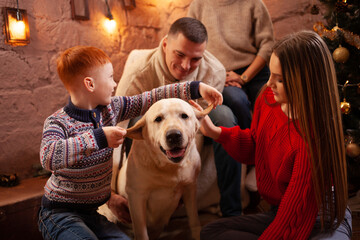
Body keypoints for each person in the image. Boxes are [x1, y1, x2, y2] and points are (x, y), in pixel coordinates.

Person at [37, 45, 223, 240]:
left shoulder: (113, 108)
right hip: (60, 213)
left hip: (94, 214)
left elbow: (151, 97)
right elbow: (48, 156)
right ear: (90, 84)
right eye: (110, 77)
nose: (115, 83)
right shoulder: (57, 122)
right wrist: (99, 138)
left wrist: (196, 88)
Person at [191, 31, 352, 239]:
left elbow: (295, 214)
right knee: (213, 232)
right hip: (282, 208)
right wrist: (214, 132)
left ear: (306, 82)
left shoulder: (312, 140)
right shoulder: (268, 98)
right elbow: (257, 147)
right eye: (270, 75)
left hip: (315, 214)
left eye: (281, 79)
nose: (269, 84)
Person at [112, 17, 243, 217]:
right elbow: (116, 128)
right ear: (165, 44)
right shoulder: (137, 76)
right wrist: (110, 192)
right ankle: (137, 199)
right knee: (134, 121)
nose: (185, 65)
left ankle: (232, 210)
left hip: (193, 127)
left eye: (195, 59)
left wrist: (183, 178)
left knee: (225, 116)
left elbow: (198, 124)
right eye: (180, 54)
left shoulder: (214, 71)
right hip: (151, 128)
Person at [187, 0, 274, 129]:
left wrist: (244, 77)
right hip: (223, 74)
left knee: (270, 103)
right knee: (237, 100)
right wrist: (217, 75)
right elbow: (191, 45)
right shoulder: (198, 5)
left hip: (256, 70)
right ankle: (250, 145)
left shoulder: (254, 3)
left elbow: (268, 45)